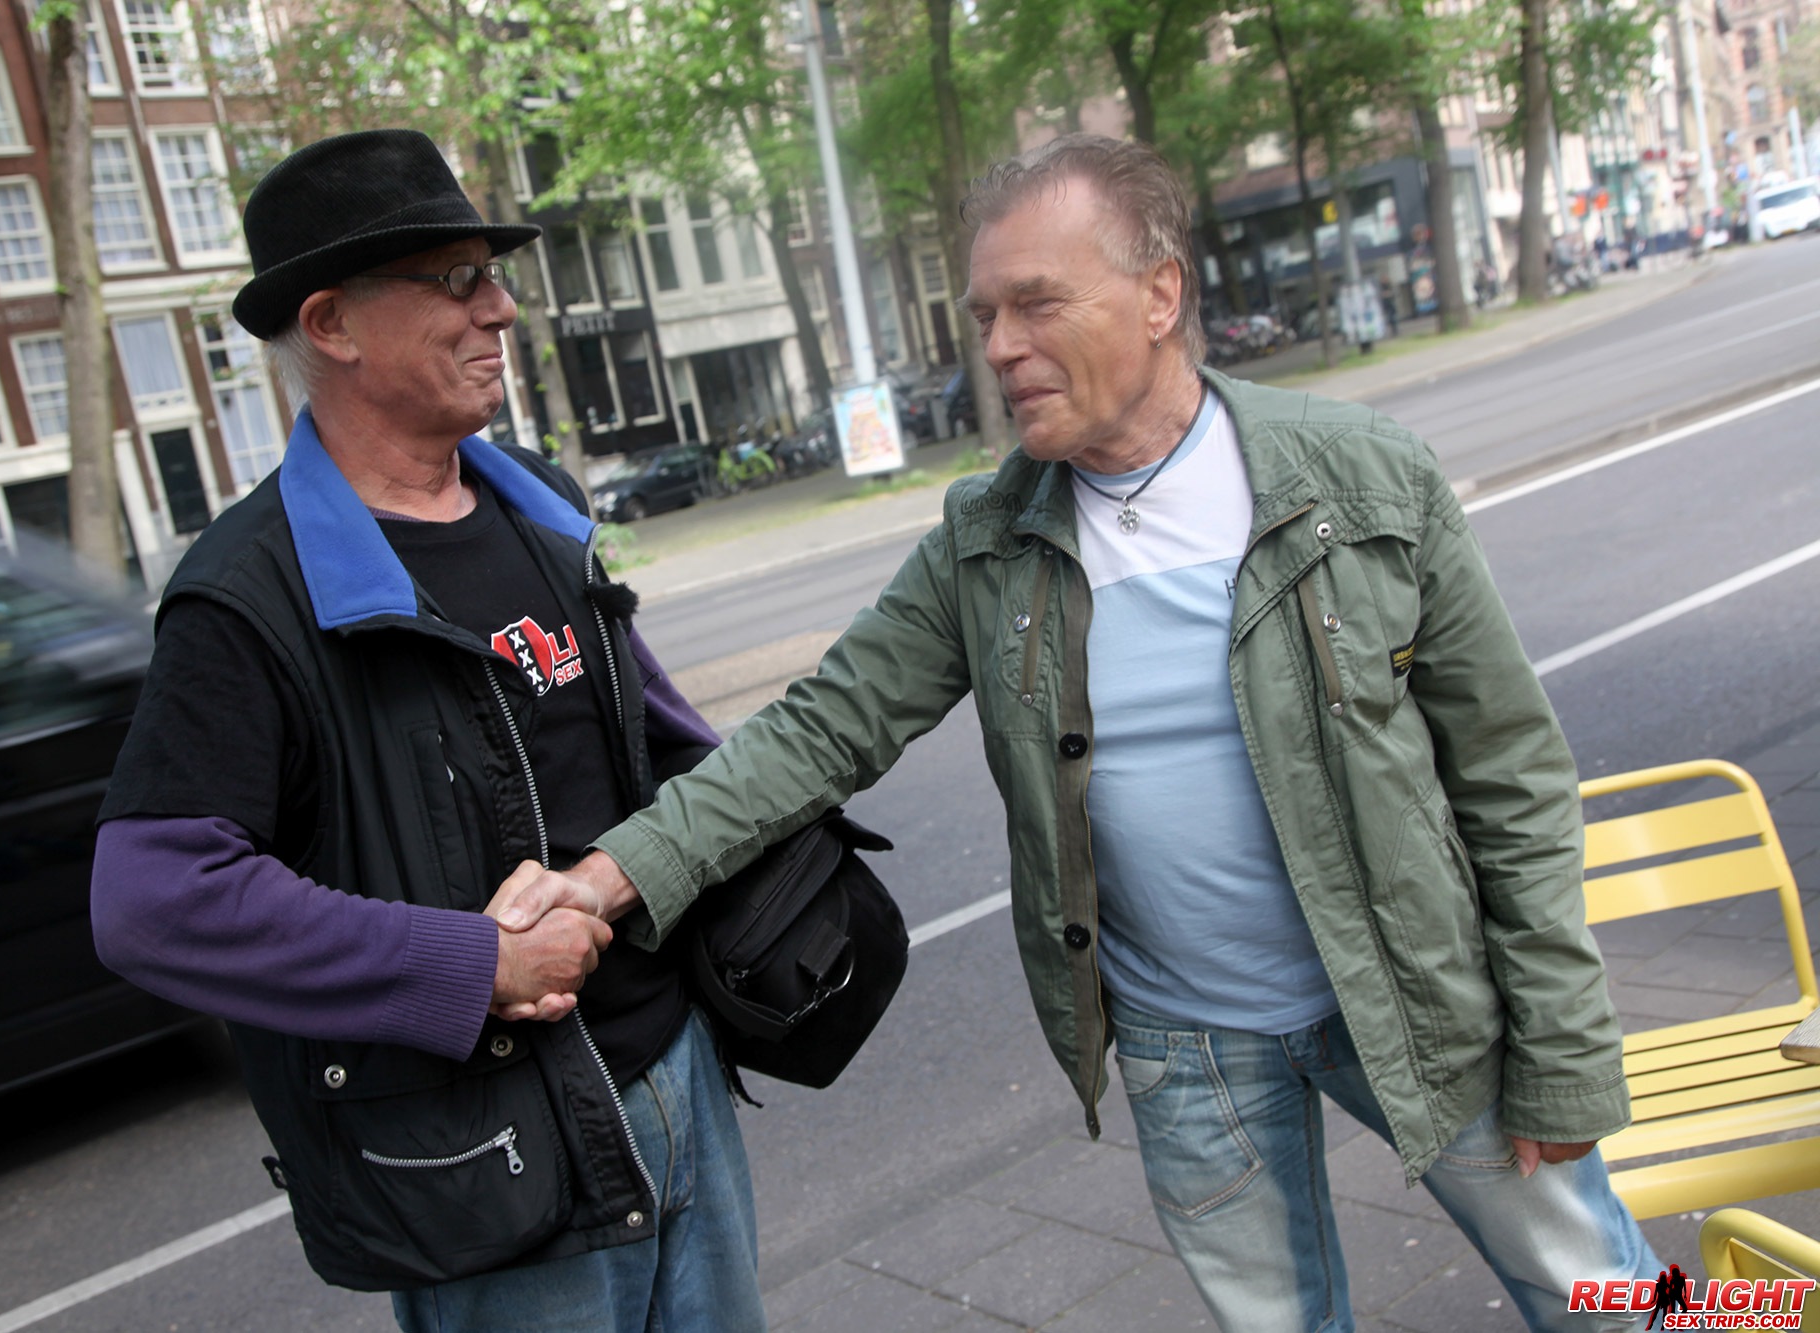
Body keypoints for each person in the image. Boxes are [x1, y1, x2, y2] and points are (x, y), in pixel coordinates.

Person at [494, 134, 1663, 1331]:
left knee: (1618, 1295)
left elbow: (1510, 776)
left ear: (1159, 293)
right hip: (1185, 1046)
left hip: (1423, 1002)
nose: (999, 346)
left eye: (1036, 303)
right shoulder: (985, 542)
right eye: (984, 315)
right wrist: (606, 877)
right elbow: (813, 733)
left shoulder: (1360, 478)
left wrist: (1561, 1045)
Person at [87, 129, 766, 1333]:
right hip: (490, 1168)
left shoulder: (541, 504)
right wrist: (475, 966)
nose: (498, 307)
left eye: (491, 275)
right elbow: (155, 900)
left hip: (677, 1084)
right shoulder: (247, 596)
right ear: (333, 324)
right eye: (455, 279)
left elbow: (654, 743)